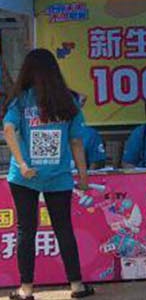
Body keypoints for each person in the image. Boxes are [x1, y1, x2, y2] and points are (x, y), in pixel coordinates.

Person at [3, 49, 95, 299]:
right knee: (63, 228)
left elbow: (9, 130)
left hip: (24, 176)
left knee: (26, 230)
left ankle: (26, 289)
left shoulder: (21, 99)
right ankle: (76, 286)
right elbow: (76, 141)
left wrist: (22, 163)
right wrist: (83, 177)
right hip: (58, 175)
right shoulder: (67, 101)